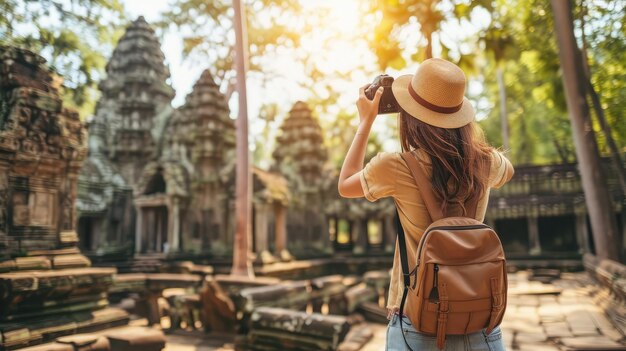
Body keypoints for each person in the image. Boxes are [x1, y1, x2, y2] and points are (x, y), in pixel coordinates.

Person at [337, 58, 514, 350]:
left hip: (418, 327)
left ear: (410, 116)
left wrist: (366, 121)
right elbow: (508, 169)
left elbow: (345, 184)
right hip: (482, 327)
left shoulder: (397, 166)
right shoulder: (486, 162)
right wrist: (469, 144)